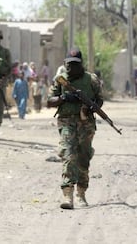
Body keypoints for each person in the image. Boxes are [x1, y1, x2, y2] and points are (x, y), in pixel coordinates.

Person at [47, 47, 103, 209]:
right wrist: (64, 97)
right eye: (69, 64)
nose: (72, 67)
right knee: (69, 155)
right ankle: (68, 195)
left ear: (81, 64)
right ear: (65, 63)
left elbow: (100, 100)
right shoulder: (60, 80)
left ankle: (81, 194)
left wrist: (91, 107)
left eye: (76, 64)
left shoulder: (91, 79)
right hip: (66, 122)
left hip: (86, 124)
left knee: (83, 158)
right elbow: (49, 101)